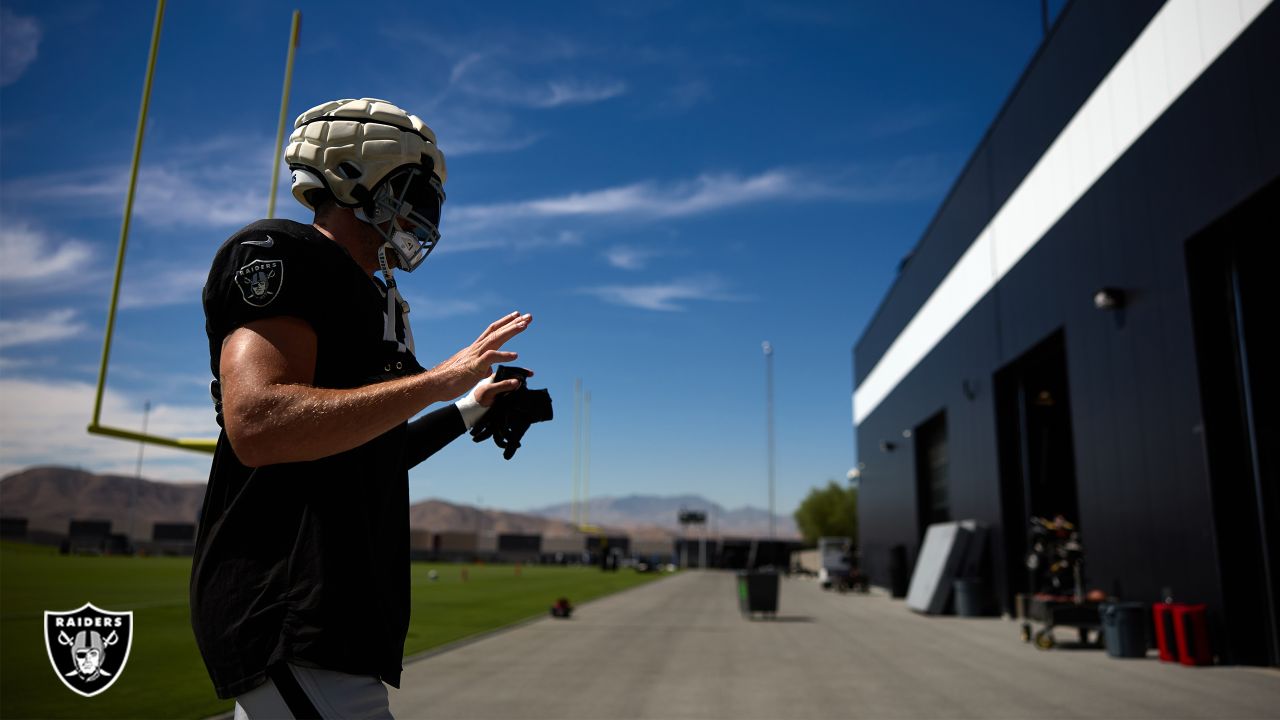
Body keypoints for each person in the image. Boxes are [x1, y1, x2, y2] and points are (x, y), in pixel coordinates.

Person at [190, 98, 532, 719]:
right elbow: (259, 423)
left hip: (333, 624)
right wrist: (439, 382)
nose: (422, 214)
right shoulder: (282, 251)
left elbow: (380, 448)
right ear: (355, 175)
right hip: (289, 611)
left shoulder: (376, 299)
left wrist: (469, 407)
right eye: (412, 191)